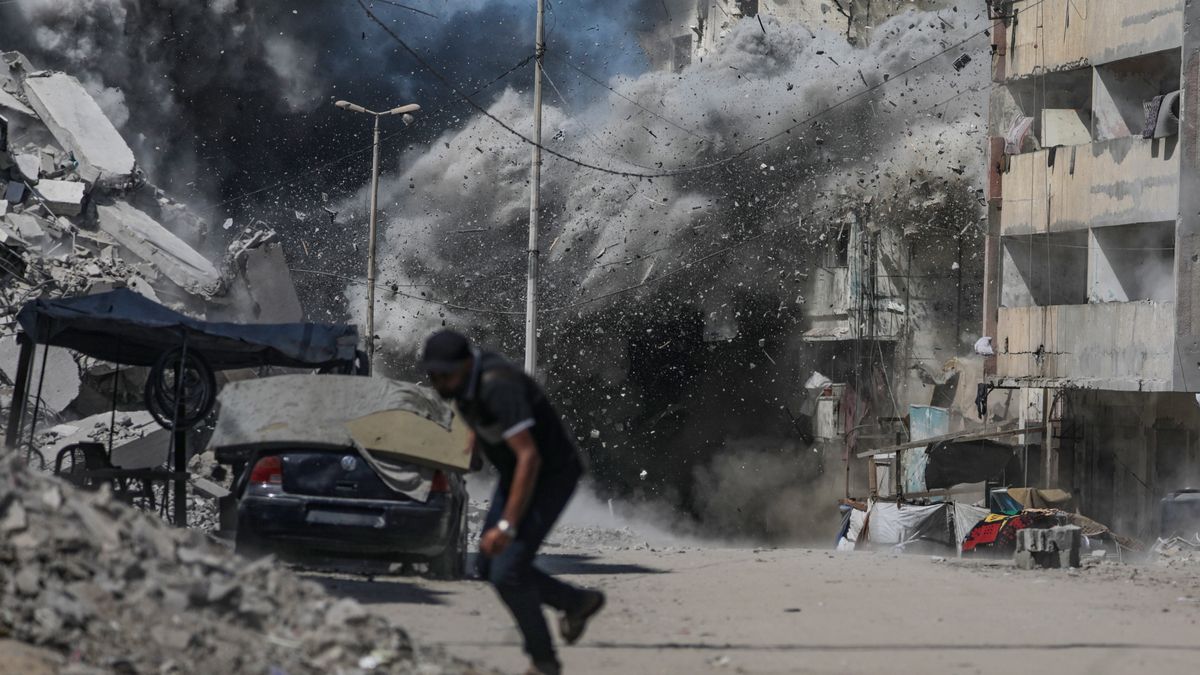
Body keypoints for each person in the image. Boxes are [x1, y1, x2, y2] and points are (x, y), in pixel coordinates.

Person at [420, 330, 605, 675]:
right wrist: (474, 441)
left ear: (465, 365)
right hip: (515, 473)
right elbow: (479, 414)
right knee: (489, 567)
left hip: (548, 476)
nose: (439, 382)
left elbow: (529, 457)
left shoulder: (498, 386)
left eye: (445, 374)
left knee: (509, 573)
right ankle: (577, 603)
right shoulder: (465, 383)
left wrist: (506, 526)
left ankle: (543, 661)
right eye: (433, 375)